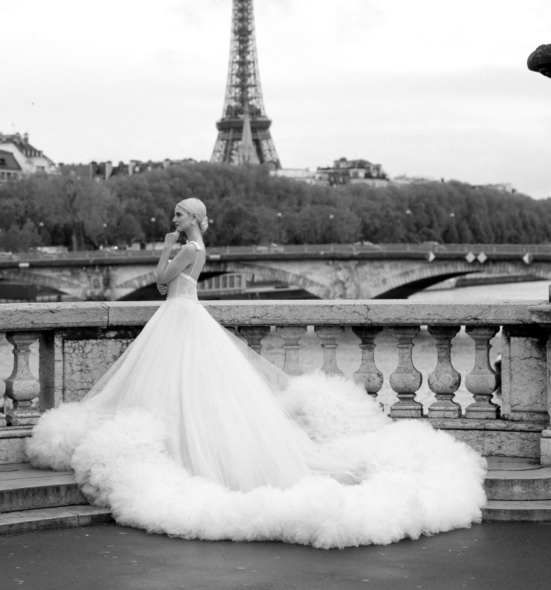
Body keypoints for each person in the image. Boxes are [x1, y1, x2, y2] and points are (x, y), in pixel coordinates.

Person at [27, 198, 486, 549]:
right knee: (191, 392)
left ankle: (184, 453)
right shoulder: (198, 245)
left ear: (192, 219)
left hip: (179, 317)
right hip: (185, 318)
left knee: (174, 388)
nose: (173, 219)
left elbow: (162, 280)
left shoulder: (187, 248)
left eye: (178, 215)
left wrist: (165, 249)